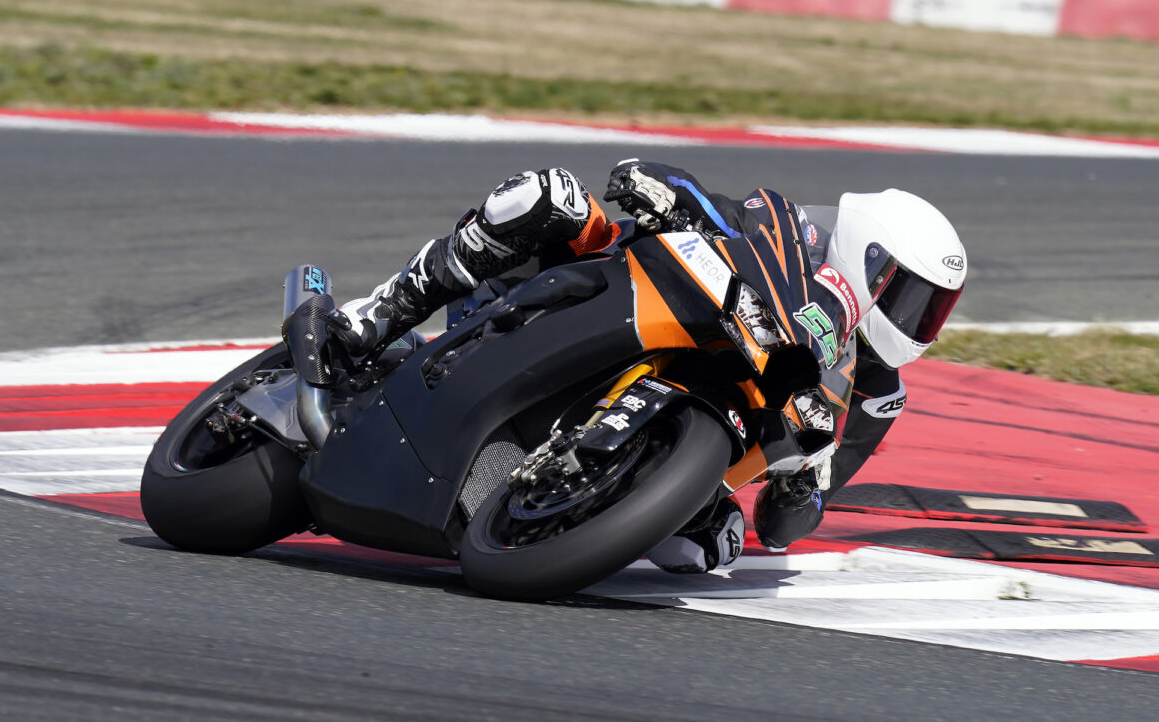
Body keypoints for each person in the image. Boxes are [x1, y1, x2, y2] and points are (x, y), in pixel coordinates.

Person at [335, 160, 968, 574]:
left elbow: (786, 526)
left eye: (934, 311)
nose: (919, 324)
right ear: (868, 254)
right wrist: (664, 190)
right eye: (912, 299)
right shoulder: (781, 230)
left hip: (710, 420)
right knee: (549, 196)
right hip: (608, 297)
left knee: (708, 544)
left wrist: (802, 488)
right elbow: (686, 195)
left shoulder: (876, 395)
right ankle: (383, 313)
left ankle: (569, 496)